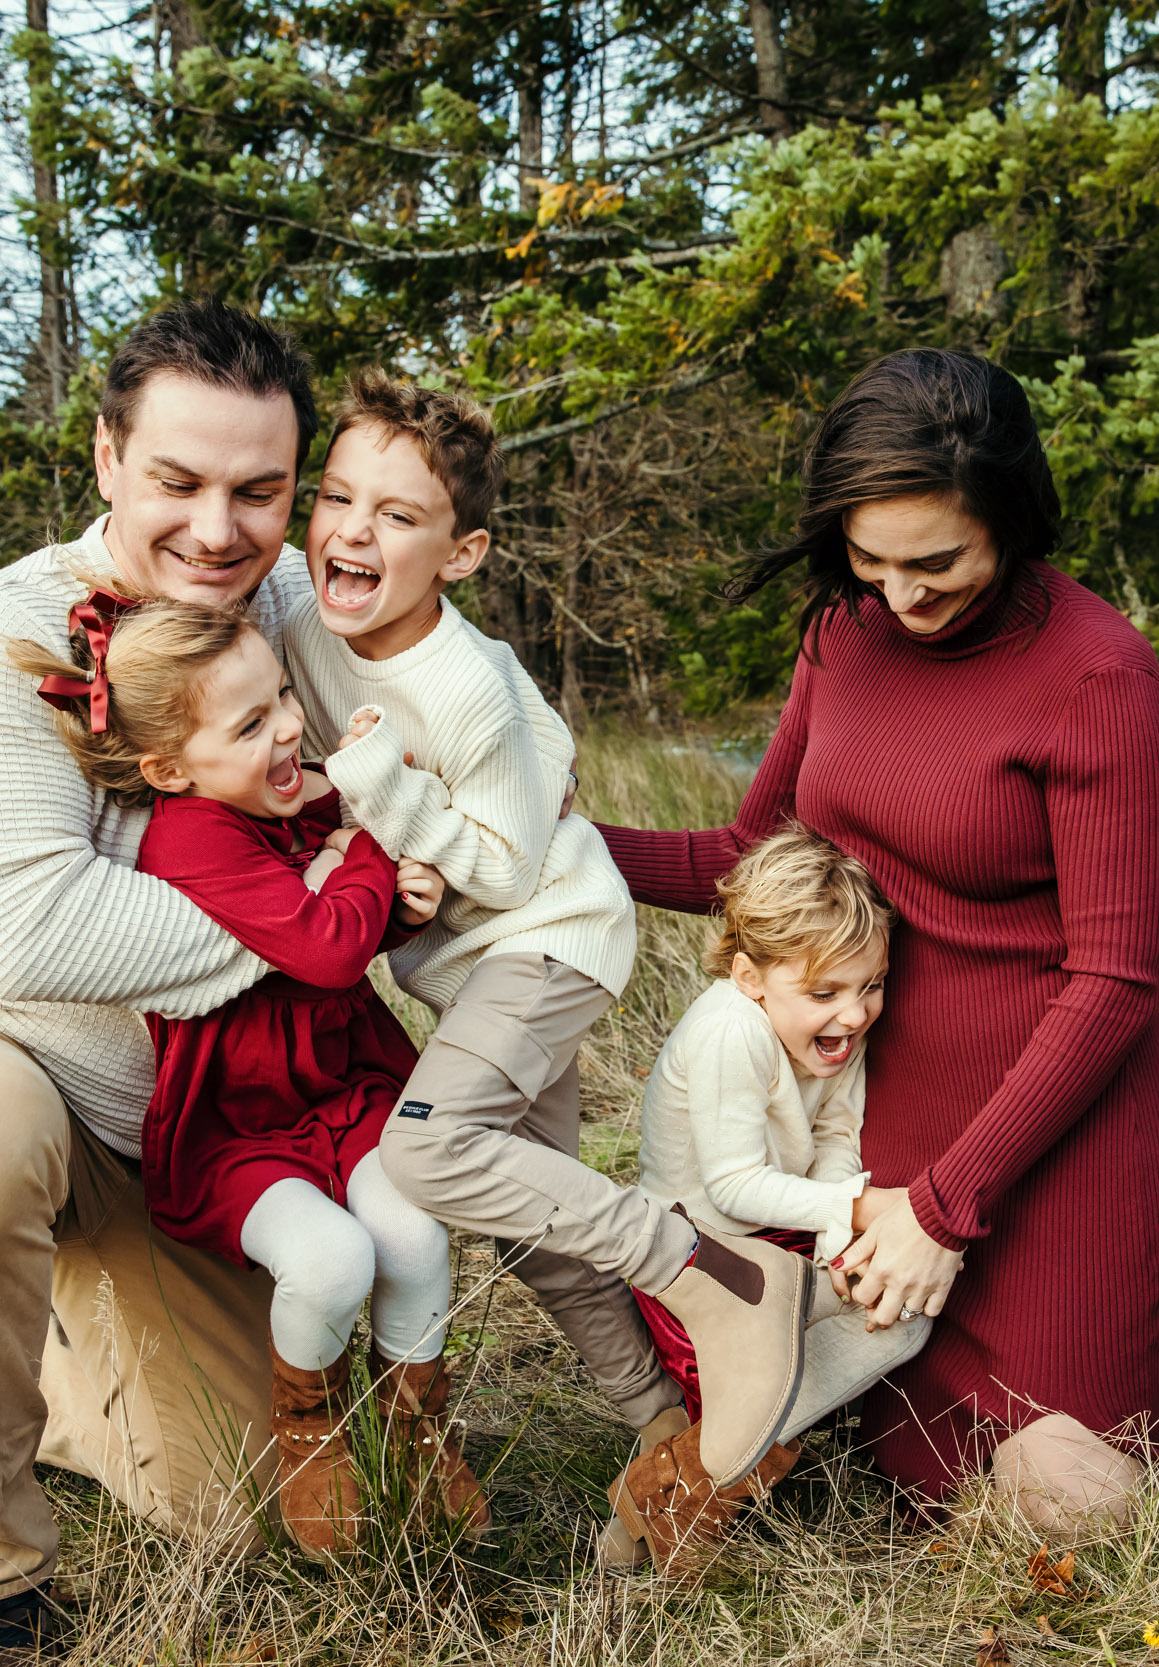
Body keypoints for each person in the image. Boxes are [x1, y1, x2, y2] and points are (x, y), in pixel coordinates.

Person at [596, 348, 1159, 1533]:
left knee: (1063, 1498)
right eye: (869, 561)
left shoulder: (1096, 675)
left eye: (936, 563)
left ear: (1010, 519)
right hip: (879, 1140)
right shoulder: (844, 633)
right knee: (918, 1482)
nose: (901, 597)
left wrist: (940, 1210)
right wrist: (546, 856)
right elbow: (749, 853)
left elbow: (1114, 983)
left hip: (1056, 1151)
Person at [0, 301, 338, 1667]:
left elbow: (421, 776)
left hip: (177, 1111)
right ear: (108, 456)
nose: (218, 528)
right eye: (178, 480)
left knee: (247, 1510)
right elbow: (29, 926)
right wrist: (318, 919)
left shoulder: (295, 605)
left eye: (258, 489)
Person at [272, 371, 818, 1513]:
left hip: (549, 941)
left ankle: (717, 1273)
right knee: (534, 1224)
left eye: (398, 516)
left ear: (461, 555)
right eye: (334, 498)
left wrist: (379, 789)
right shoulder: (295, 608)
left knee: (430, 1149)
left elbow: (508, 867)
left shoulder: (462, 683)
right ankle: (675, 1438)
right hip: (466, 972)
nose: (352, 531)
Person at [5, 597, 479, 1553]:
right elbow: (327, 947)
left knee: (416, 1233)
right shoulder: (192, 837)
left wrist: (401, 896)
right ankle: (312, 1430)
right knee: (332, 1259)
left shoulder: (283, 791)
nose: (290, 727)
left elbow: (357, 919)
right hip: (241, 1120)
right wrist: (372, 850)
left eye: (282, 697)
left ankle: (416, 1426)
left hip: (346, 1082)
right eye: (252, 721)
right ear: (170, 770)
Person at [611, 827, 930, 1573]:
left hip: (777, 1236)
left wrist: (836, 1236)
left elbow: (837, 1136)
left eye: (871, 985)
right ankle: (687, 1482)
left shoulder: (834, 1035)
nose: (853, 1014)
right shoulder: (734, 1033)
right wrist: (853, 1209)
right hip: (700, 1257)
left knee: (900, 1311)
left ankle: (685, 1475)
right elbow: (731, 1184)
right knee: (752, 1385)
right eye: (824, 993)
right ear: (752, 976)